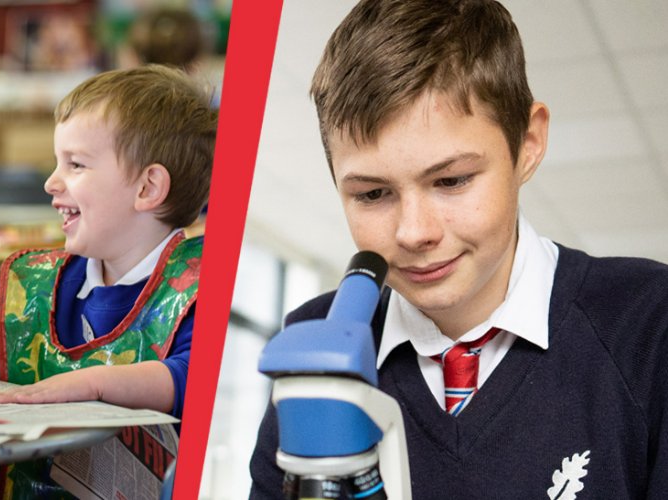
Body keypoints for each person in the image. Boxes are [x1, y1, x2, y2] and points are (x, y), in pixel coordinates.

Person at [249, 0, 668, 498]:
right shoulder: (311, 346)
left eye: (451, 180)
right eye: (372, 194)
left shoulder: (647, 323)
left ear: (528, 144)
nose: (414, 232)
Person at [0, 64, 214, 496]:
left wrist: (93, 384)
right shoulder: (47, 278)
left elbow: (189, 377)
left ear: (148, 188)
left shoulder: (197, 287)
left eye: (75, 164)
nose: (50, 182)